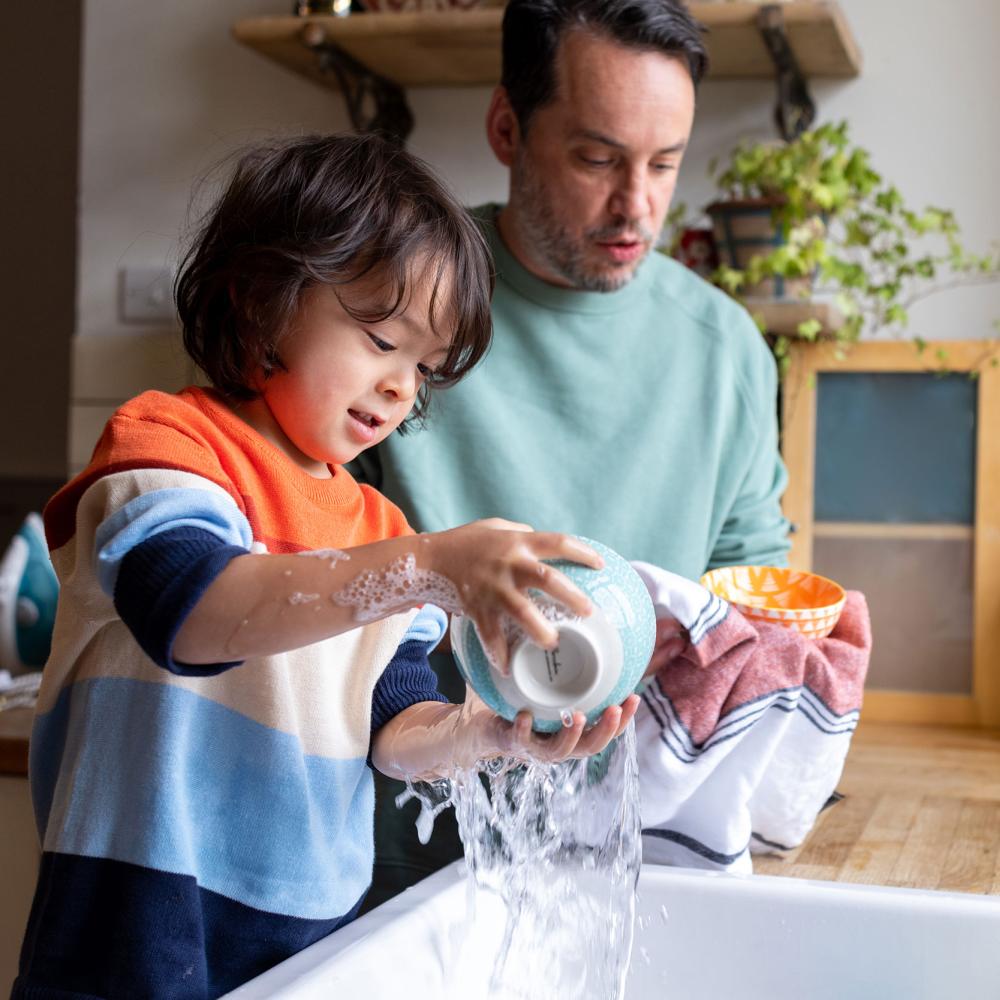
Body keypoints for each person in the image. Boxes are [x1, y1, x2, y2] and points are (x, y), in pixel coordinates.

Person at [13, 132, 639, 1000]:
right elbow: (194, 613)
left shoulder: (378, 522)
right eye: (381, 337)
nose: (402, 387)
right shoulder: (166, 447)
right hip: (130, 920)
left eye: (422, 367)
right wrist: (425, 566)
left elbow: (394, 728)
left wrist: (480, 736)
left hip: (308, 935)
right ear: (262, 299)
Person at [354, 0, 817, 907]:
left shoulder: (726, 351)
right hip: (395, 850)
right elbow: (309, 558)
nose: (636, 204)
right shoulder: (394, 309)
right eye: (598, 157)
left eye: (665, 164)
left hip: (643, 858)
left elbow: (747, 614)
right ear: (506, 129)